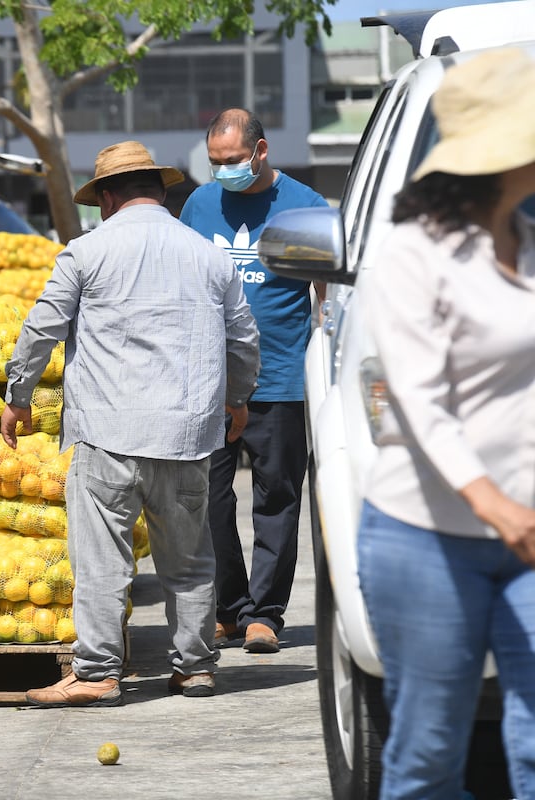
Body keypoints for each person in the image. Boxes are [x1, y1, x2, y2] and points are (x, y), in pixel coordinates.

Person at [1, 141, 260, 704]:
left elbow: (42, 327)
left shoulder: (85, 252)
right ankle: (195, 667)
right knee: (189, 561)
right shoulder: (209, 256)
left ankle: (97, 673)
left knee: (102, 562)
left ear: (107, 198)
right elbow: (243, 338)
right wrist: (237, 399)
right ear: (160, 192)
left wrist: (18, 395)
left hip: (108, 434)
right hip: (186, 435)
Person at [355, 48, 535, 798]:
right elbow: (420, 400)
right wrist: (498, 506)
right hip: (427, 537)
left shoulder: (527, 243)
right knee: (428, 758)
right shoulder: (413, 254)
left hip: (527, 538)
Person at [179, 108, 328, 654]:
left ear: (261, 151)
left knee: (277, 497)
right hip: (208, 381)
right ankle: (230, 606)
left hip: (280, 377)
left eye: (234, 160)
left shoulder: (306, 207)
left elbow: (328, 294)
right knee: (207, 500)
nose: (224, 171)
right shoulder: (199, 205)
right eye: (215, 161)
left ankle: (265, 613)